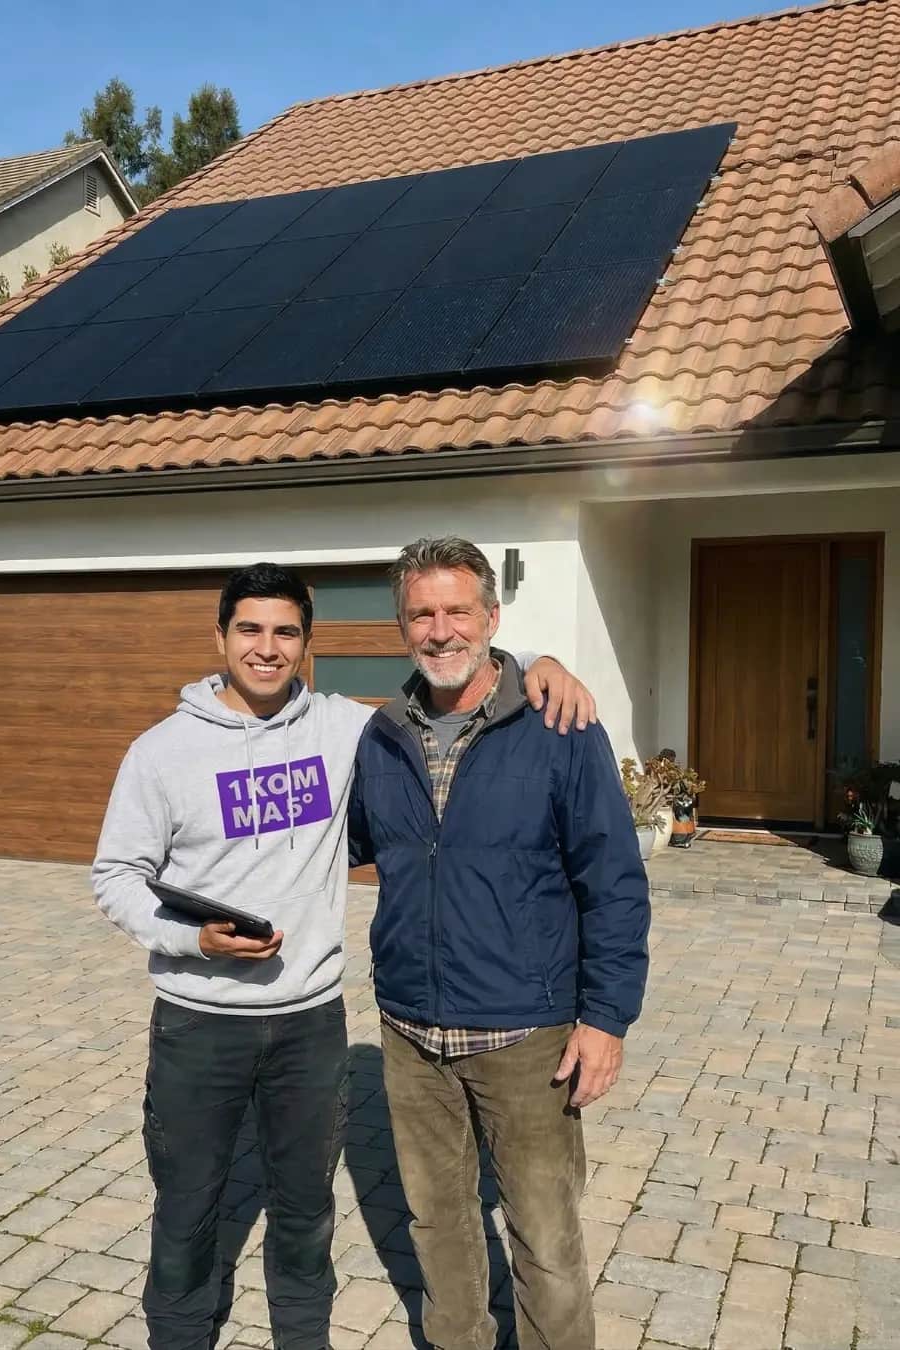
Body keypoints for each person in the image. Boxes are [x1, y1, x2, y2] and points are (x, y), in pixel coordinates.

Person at [91, 561, 598, 1350]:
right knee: (188, 1208)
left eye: (285, 632)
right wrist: (190, 937)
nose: (267, 648)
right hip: (200, 1024)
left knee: (305, 1213)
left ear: (307, 644)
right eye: (249, 630)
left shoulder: (347, 729)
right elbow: (116, 876)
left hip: (309, 1026)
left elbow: (458, 670)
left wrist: (540, 665)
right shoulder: (161, 752)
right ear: (219, 637)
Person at [348, 537, 650, 1350]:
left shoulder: (557, 724)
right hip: (412, 1031)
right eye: (421, 613)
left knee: (545, 1240)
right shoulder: (379, 737)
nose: (440, 630)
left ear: (491, 616)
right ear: (401, 624)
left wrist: (606, 1019)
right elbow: (335, 848)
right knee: (437, 1224)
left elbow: (613, 881)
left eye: (456, 610)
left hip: (527, 1035)